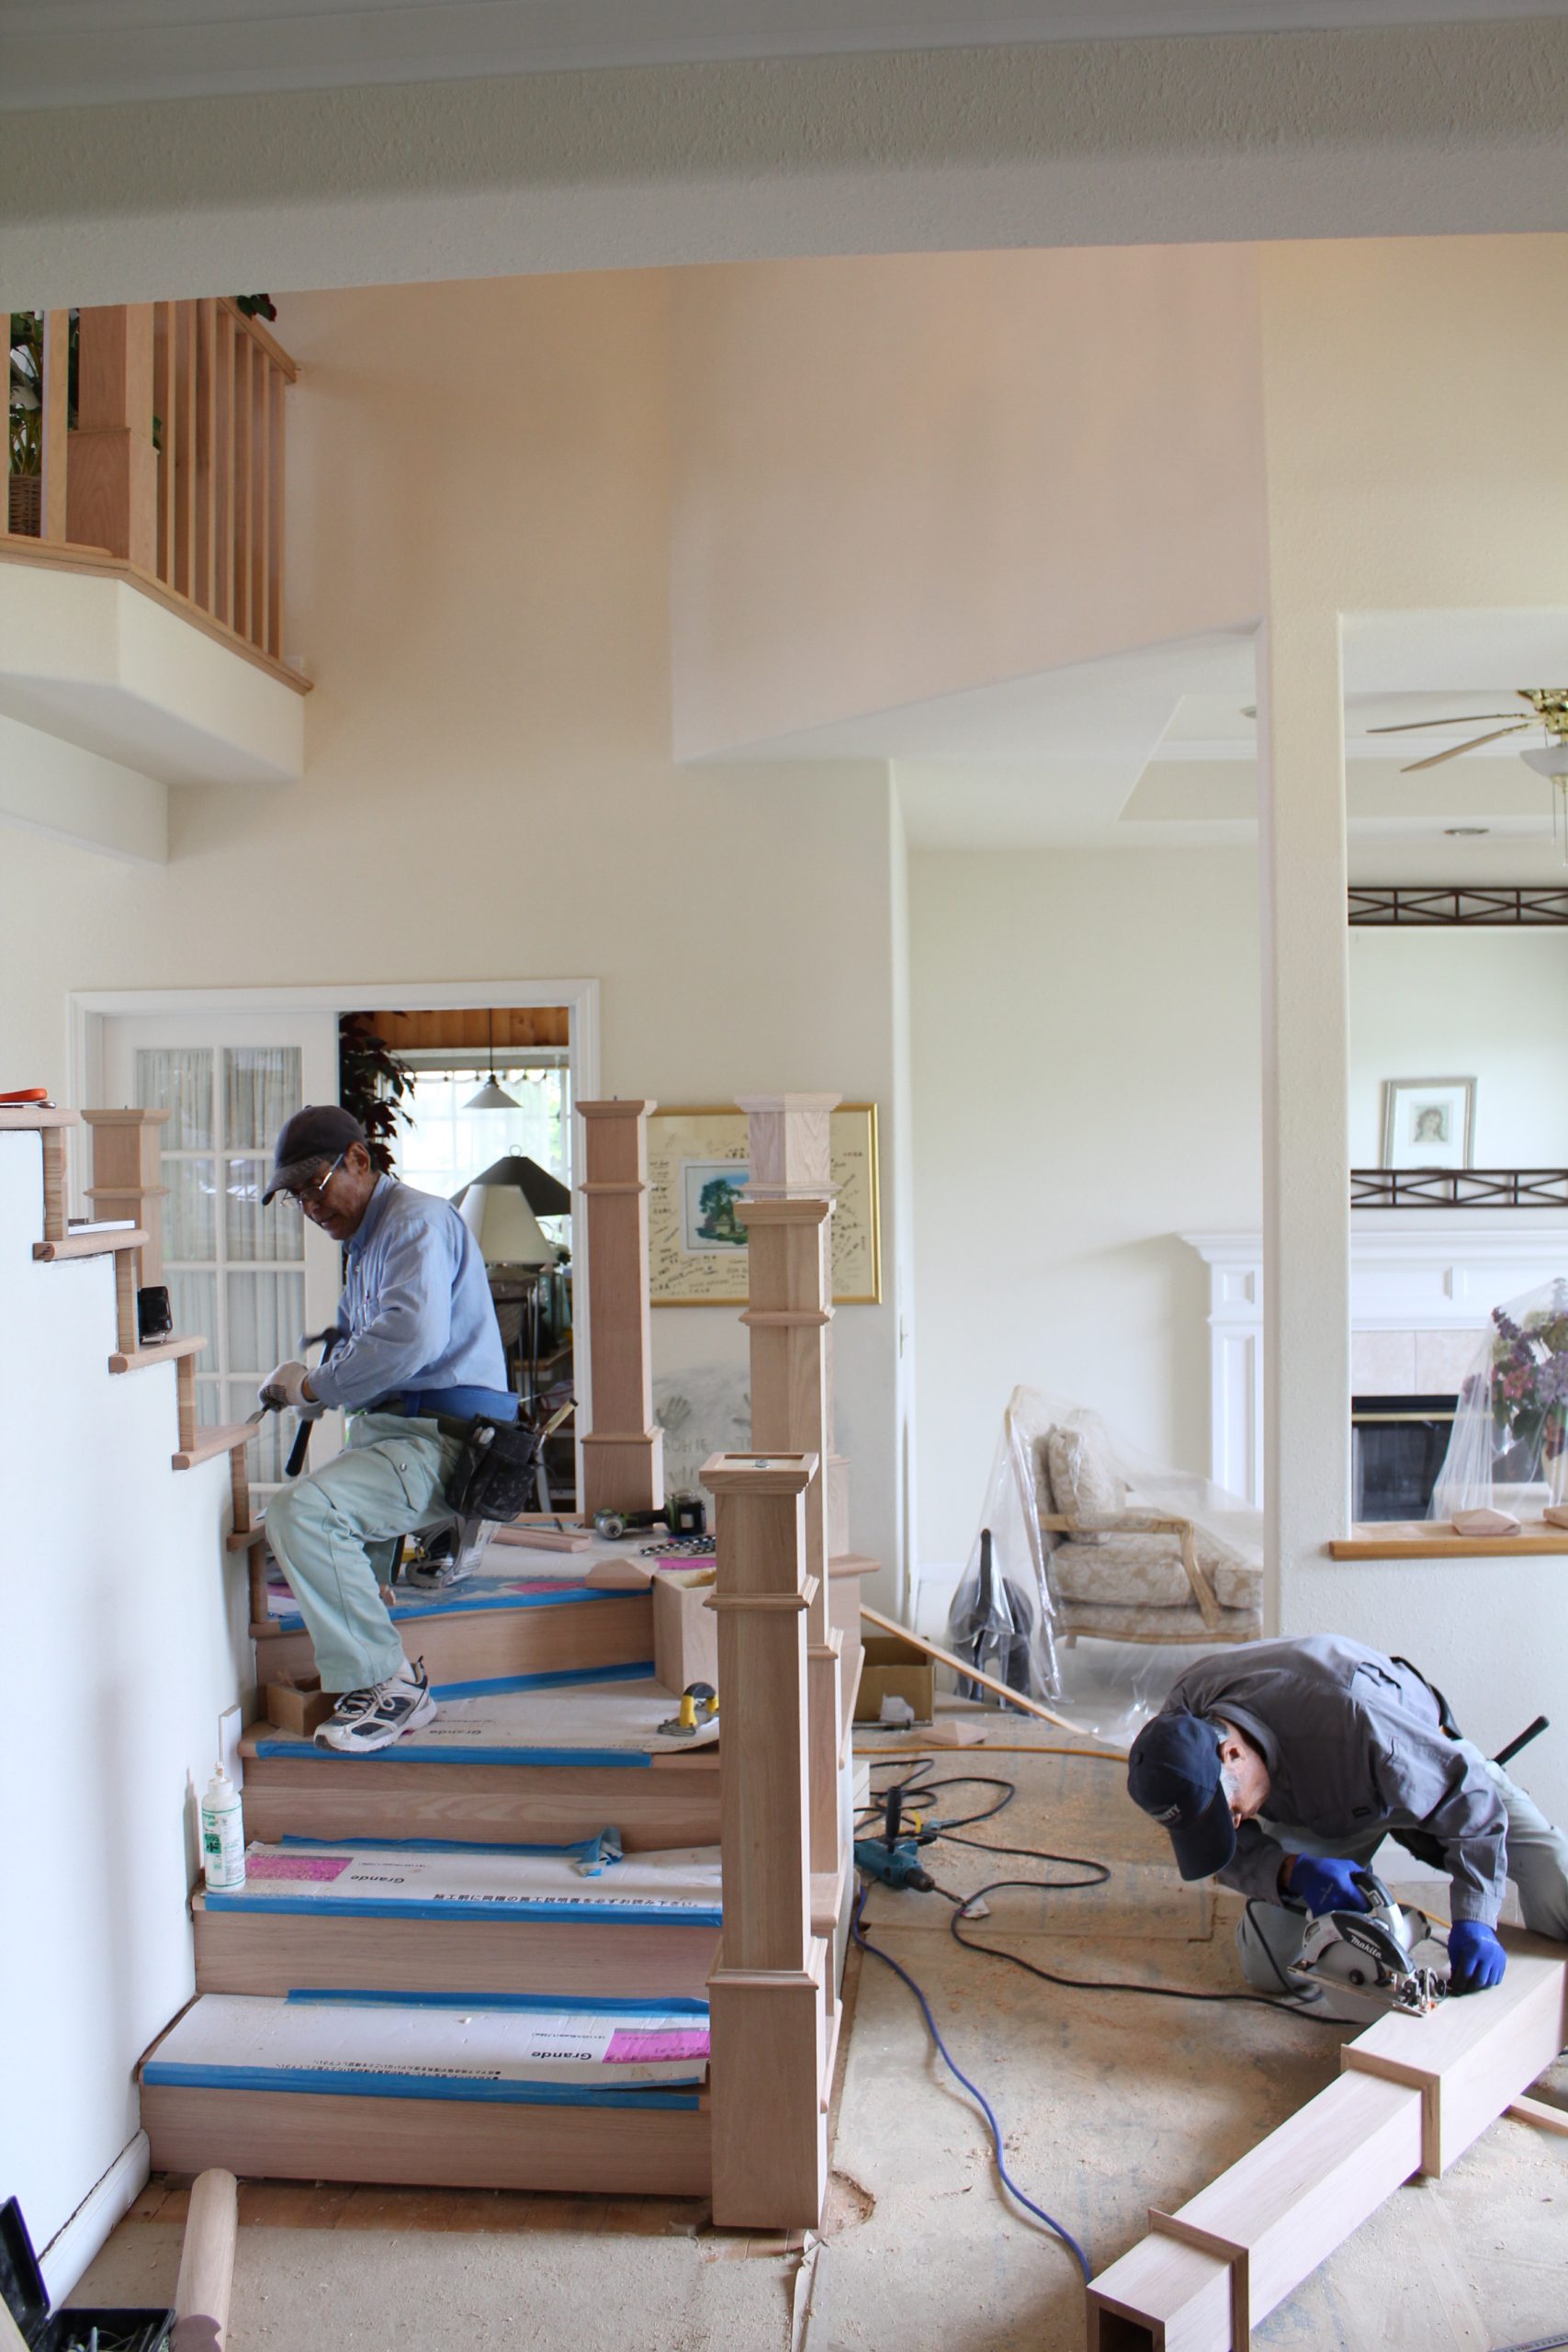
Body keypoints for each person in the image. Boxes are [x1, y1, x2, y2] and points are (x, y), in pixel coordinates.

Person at [257, 1104, 515, 1754]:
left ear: (359, 1159)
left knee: (302, 1514)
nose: (310, 1208)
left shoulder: (415, 1221)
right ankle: (364, 1651)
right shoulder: (365, 1244)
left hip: (442, 1437)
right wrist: (317, 1384)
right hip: (394, 1431)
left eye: (315, 1186)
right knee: (288, 1529)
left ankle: (390, 1685)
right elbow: (358, 1344)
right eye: (295, 1198)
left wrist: (313, 1387)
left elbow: (411, 1339)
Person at [1126, 1634, 1568, 1998]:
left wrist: (1476, 1921)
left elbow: (1469, 1804)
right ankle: (1397, 1925)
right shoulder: (1178, 1737)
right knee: (1270, 1965)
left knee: (1555, 1877)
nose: (1236, 1825)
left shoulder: (1357, 1718)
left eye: (1230, 1812)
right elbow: (1217, 1836)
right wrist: (1291, 1870)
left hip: (1426, 1763)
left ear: (1233, 1754)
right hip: (1317, 1807)